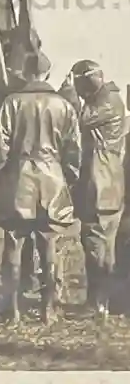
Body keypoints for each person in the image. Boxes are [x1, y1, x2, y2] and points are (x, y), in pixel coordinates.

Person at [0, 50, 81, 325]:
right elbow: (74, 150)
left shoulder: (11, 103)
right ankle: (48, 310)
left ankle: (13, 311)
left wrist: (1, 175)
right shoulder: (64, 105)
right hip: (52, 177)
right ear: (48, 74)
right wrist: (68, 178)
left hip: (19, 179)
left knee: (14, 244)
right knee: (49, 244)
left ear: (26, 73)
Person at [70, 59, 127, 319]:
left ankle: (97, 303)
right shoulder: (110, 99)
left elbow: (77, 119)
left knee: (95, 244)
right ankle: (106, 301)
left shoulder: (105, 102)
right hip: (109, 184)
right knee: (106, 246)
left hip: (100, 185)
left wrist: (68, 95)